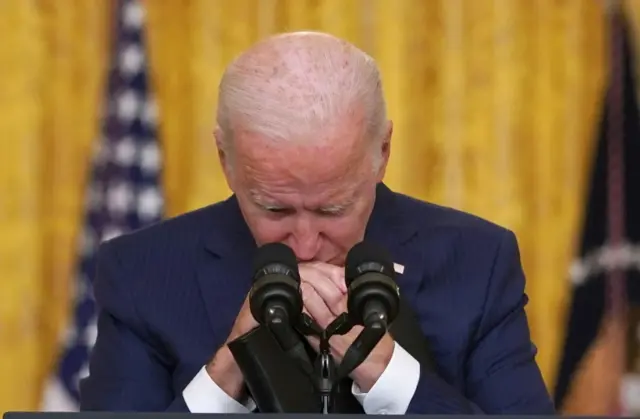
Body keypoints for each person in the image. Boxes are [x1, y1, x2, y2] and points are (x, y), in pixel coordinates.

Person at [80, 31, 555, 414]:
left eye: (333, 209)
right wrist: (228, 371)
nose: (305, 245)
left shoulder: (476, 261)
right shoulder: (143, 273)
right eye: (275, 209)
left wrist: (391, 376)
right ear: (225, 159)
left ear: (383, 152)